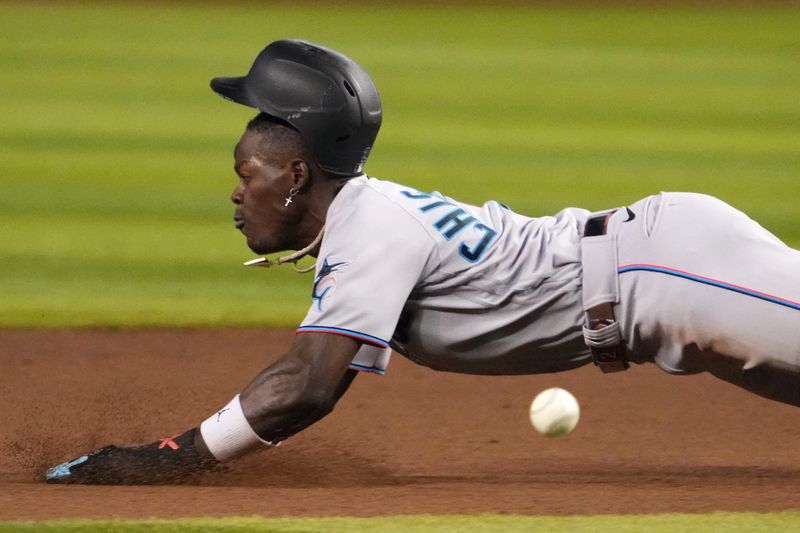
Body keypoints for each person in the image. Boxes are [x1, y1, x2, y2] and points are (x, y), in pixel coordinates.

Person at [46, 39, 800, 484]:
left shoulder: (370, 223)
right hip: (660, 292)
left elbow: (305, 386)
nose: (238, 194)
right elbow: (322, 381)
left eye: (249, 174)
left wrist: (163, 459)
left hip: (667, 272)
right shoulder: (364, 220)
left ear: (298, 175)